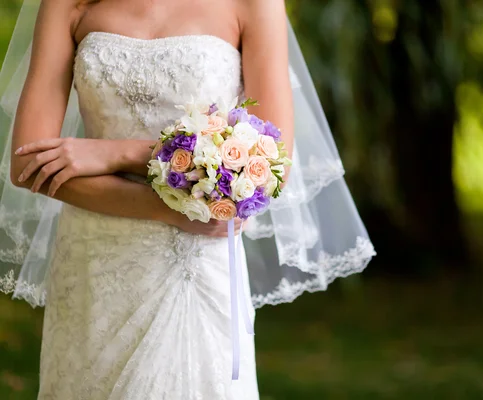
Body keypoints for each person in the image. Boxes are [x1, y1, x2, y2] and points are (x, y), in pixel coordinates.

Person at [0, 0, 375, 398]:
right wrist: (167, 210)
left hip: (195, 263)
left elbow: (269, 158)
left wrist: (117, 153)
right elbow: (28, 164)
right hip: (93, 261)